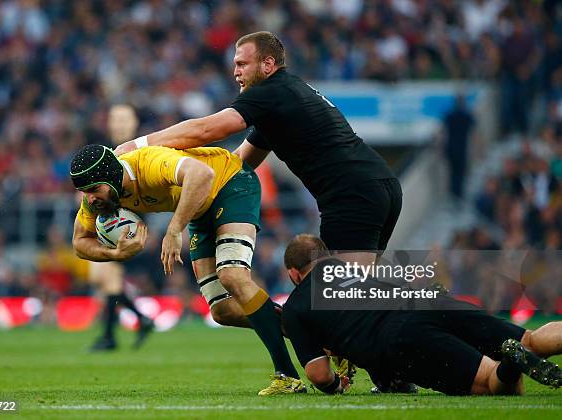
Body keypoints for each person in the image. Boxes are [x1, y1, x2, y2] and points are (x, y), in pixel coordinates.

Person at [113, 31, 402, 265]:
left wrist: (138, 145)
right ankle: (419, 324)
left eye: (242, 64)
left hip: (351, 194)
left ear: (267, 65)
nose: (236, 72)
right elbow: (238, 164)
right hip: (379, 184)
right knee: (363, 295)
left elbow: (207, 129)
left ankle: (431, 328)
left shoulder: (271, 92)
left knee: (346, 302)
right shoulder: (282, 101)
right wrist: (178, 186)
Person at [69, 143, 305, 395]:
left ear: (111, 176)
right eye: (85, 192)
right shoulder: (95, 199)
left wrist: (173, 229)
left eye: (94, 189)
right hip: (199, 210)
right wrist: (115, 253)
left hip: (229, 183)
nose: (90, 198)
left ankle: (287, 375)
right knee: (222, 311)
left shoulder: (148, 163)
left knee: (231, 275)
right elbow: (79, 242)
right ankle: (314, 332)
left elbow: (202, 174)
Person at [281, 234, 562, 395]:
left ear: (293, 273)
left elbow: (318, 374)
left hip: (401, 336)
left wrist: (334, 385)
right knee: (531, 338)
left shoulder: (295, 307)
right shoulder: (352, 269)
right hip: (427, 301)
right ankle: (517, 350)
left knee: (491, 382)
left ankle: (510, 363)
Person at [88, 104, 153, 351]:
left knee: (108, 277)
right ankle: (140, 319)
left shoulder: (142, 149)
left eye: (125, 118)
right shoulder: (104, 151)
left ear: (135, 122)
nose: (119, 123)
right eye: (115, 118)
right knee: (103, 279)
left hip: (125, 222)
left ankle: (109, 336)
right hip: (105, 222)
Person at [443, 94, 475, 201]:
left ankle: (454, 194)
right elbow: (474, 131)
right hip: (461, 148)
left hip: (450, 147)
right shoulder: (466, 115)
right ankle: (458, 194)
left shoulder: (449, 114)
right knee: (460, 172)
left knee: (453, 172)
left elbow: (443, 132)